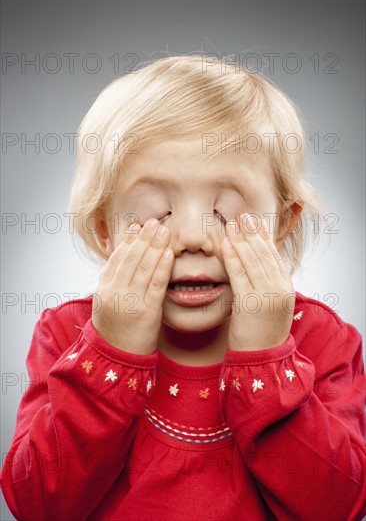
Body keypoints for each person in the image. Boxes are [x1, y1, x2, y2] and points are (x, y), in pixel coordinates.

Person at [1, 55, 365, 521]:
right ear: (104, 229)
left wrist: (267, 359)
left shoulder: (320, 338)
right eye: (158, 212)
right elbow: (37, 505)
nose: (194, 236)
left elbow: (339, 508)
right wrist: (110, 355)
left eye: (224, 211)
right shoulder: (70, 333)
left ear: (283, 225)